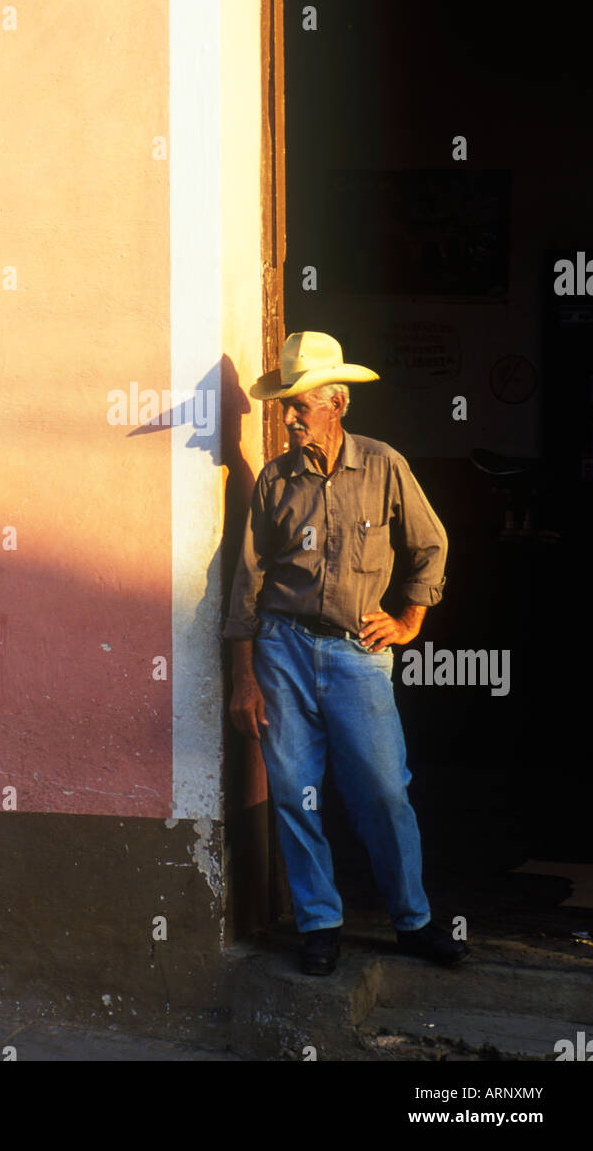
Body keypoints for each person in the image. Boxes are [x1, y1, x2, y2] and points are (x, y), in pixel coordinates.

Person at [224, 331, 468, 975]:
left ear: (337, 403)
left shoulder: (385, 465)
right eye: (286, 405)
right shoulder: (275, 481)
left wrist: (409, 619)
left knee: (386, 792)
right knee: (294, 792)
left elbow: (431, 546)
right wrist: (245, 678)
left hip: (357, 655)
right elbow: (248, 584)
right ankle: (319, 924)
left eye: (301, 403)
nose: (291, 416)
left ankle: (412, 921)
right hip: (282, 650)